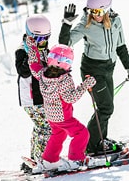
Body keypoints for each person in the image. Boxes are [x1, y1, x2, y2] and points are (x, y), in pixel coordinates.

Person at [58, 0, 129, 156]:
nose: (95, 15)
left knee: (107, 107)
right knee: (105, 107)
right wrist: (66, 23)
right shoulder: (86, 23)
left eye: (98, 11)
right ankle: (91, 145)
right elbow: (64, 44)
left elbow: (120, 46)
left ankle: (100, 140)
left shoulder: (116, 21)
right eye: (91, 11)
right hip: (92, 70)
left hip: (109, 68)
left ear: (107, 10)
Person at [25, 34, 101, 172]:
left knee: (58, 134)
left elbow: (33, 64)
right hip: (63, 116)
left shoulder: (42, 74)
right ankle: (76, 159)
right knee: (81, 133)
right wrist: (85, 85)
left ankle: (49, 160)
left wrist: (32, 48)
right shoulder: (64, 80)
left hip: (51, 116)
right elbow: (71, 98)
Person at [15, 15, 52, 172]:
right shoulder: (22, 51)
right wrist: (32, 52)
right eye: (37, 39)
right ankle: (40, 159)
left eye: (45, 39)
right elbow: (23, 71)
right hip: (32, 99)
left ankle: (33, 159)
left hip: (43, 96)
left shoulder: (45, 50)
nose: (41, 43)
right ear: (29, 36)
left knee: (41, 128)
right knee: (46, 128)